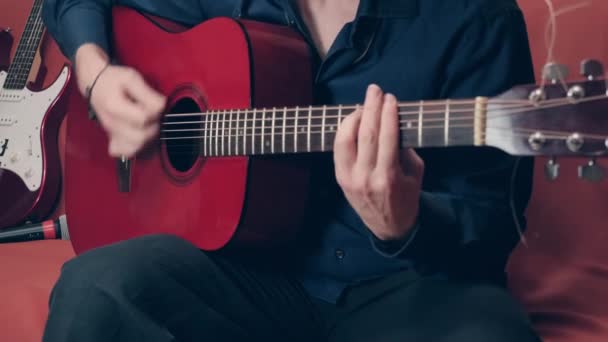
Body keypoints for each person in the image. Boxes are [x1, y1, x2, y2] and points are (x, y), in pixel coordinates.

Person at [41, 0, 541, 341]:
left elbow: (493, 219)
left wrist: (405, 222)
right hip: (247, 270)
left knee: (491, 333)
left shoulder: (476, 16)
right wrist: (96, 73)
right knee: (97, 287)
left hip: (402, 287)